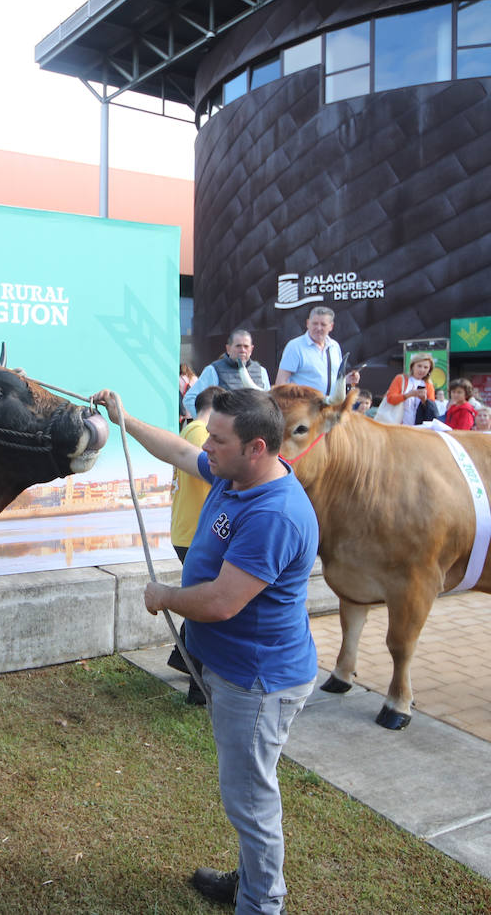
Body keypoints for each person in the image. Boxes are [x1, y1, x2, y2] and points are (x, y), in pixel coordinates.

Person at [91, 385, 318, 915]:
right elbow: (176, 450)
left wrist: (162, 596)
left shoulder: (273, 514)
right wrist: (125, 420)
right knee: (247, 791)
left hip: (258, 682)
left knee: (251, 801)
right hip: (235, 672)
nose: (205, 446)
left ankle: (261, 903)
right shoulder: (236, 472)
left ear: (256, 446)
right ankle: (252, 882)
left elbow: (221, 602)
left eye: (217, 439)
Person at [168, 385, 218, 704]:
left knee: (202, 603)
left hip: (187, 531)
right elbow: (217, 475)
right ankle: (198, 690)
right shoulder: (201, 434)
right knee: (206, 610)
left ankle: (180, 657)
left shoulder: (190, 430)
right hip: (196, 534)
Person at [275, 306, 360, 394]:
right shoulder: (295, 347)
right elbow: (281, 384)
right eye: (315, 323)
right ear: (308, 323)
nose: (319, 328)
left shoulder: (334, 346)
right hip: (304, 406)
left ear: (331, 326)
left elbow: (331, 380)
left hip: (331, 406)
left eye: (323, 324)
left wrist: (346, 380)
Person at [185, 329, 269, 417]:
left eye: (246, 346)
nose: (242, 350)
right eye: (238, 346)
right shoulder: (213, 370)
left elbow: (269, 404)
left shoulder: (261, 372)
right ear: (228, 348)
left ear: (251, 349)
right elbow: (190, 399)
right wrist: (206, 423)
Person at [381, 353, 435, 425]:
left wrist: (424, 400)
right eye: (419, 366)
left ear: (429, 370)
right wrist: (407, 395)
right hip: (398, 423)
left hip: (419, 426)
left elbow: (431, 408)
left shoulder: (429, 385)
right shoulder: (400, 379)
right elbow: (390, 399)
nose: (422, 370)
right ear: (412, 366)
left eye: (426, 367)